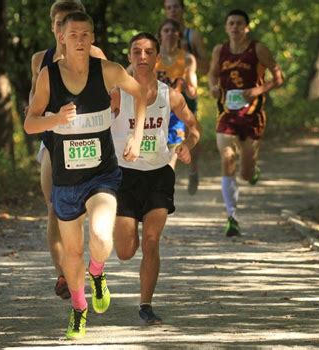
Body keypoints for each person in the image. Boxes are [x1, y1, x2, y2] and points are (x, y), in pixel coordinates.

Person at [25, 12, 146, 339]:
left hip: (102, 175)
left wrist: (135, 137)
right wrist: (55, 120)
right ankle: (79, 310)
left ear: (92, 38)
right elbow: (30, 123)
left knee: (102, 236)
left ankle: (98, 273)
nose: (80, 39)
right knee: (73, 253)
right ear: (61, 37)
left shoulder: (108, 70)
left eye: (85, 34)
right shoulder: (48, 76)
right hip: (66, 181)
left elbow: (142, 94)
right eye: (73, 34)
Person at [111, 32, 200, 325]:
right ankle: (126, 231)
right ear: (129, 57)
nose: (143, 57)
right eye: (137, 51)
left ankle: (145, 306)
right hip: (124, 177)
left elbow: (193, 125)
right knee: (125, 251)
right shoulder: (116, 92)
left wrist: (187, 144)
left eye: (149, 52)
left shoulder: (169, 95)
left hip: (159, 176)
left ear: (157, 58)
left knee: (151, 241)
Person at [28, 0, 106, 300]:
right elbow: (35, 98)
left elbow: (112, 94)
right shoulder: (40, 60)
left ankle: (94, 263)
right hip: (55, 141)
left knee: (87, 211)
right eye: (60, 24)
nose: (66, 31)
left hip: (90, 144)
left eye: (72, 25)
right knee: (53, 208)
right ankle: (63, 274)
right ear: (53, 27)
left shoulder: (96, 55)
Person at [207, 9, 284, 236]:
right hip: (227, 114)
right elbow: (212, 74)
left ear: (246, 27)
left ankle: (252, 171)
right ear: (226, 27)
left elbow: (278, 78)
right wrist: (212, 86)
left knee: (245, 174)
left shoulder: (258, 49)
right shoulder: (219, 50)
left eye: (239, 23)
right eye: (231, 23)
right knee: (227, 159)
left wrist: (259, 89)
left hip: (253, 115)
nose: (235, 27)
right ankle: (232, 217)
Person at [163, 0, 209, 194]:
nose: (173, 10)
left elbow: (207, 66)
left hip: (186, 93)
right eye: (169, 7)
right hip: (165, 93)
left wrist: (186, 59)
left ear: (182, 10)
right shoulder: (163, 34)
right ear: (165, 11)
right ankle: (163, 174)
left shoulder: (193, 35)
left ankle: (193, 169)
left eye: (176, 7)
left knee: (192, 132)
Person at [155, 19, 197, 170]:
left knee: (169, 165)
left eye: (173, 31)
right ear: (160, 35)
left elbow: (193, 93)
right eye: (166, 30)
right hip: (152, 115)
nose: (170, 34)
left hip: (175, 115)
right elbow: (126, 77)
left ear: (179, 35)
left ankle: (165, 191)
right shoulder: (150, 56)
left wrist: (187, 87)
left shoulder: (187, 59)